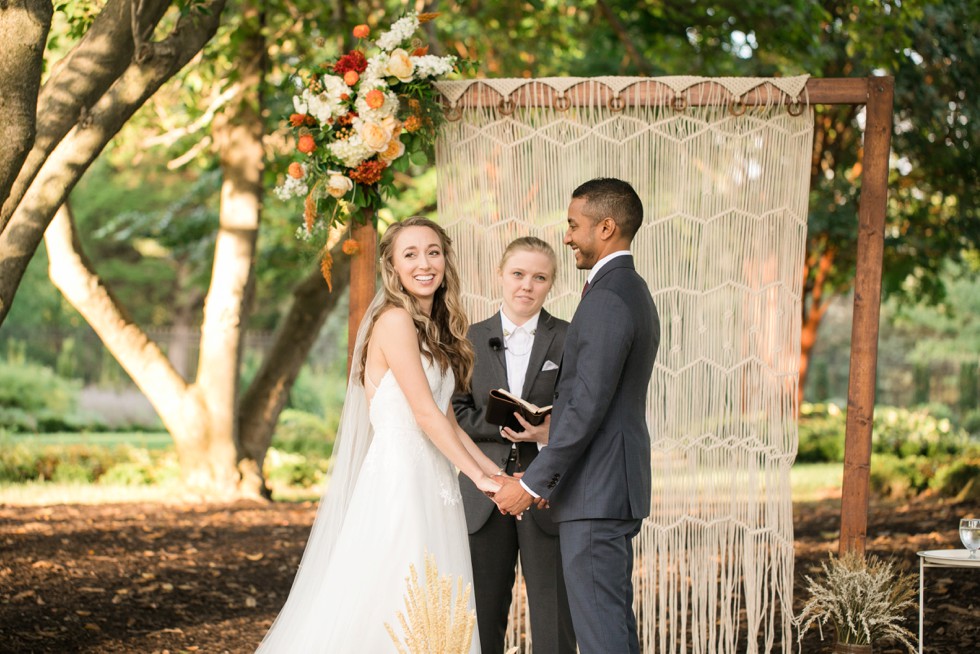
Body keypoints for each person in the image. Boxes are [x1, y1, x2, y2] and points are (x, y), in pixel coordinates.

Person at [257, 216, 502, 653]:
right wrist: (479, 480)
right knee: (394, 594)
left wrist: (495, 476)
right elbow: (424, 416)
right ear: (392, 266)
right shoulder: (394, 321)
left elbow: (447, 419)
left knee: (433, 596)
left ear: (446, 259)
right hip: (399, 482)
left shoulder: (434, 327)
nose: (425, 263)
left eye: (433, 251)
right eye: (410, 254)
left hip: (434, 482)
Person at [492, 179, 660, 654]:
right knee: (610, 624)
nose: (566, 236)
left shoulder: (608, 296)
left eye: (573, 225)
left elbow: (588, 403)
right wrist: (549, 430)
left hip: (597, 491)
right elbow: (602, 399)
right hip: (605, 486)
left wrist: (531, 485)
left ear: (605, 227)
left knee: (601, 633)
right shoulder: (627, 289)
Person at [452, 237, 576, 654]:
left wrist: (545, 430)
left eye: (539, 277)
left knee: (554, 613)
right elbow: (454, 409)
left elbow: (580, 409)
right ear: (500, 276)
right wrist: (503, 424)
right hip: (483, 494)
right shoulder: (467, 337)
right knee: (482, 614)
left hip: (547, 493)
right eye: (518, 274)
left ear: (551, 284)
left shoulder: (569, 338)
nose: (527, 285)